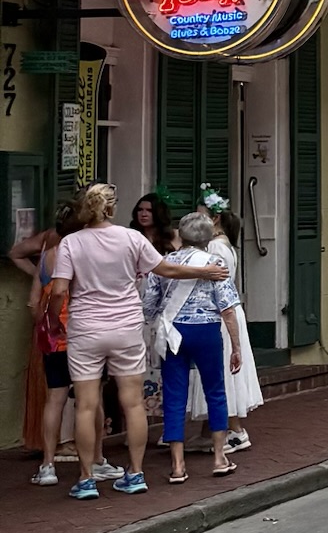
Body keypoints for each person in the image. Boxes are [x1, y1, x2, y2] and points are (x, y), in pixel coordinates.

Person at [48, 183, 223, 499]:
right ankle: (136, 473)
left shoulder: (71, 243)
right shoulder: (131, 238)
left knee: (86, 405)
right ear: (111, 209)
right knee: (132, 402)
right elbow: (166, 268)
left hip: (86, 328)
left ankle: (86, 478)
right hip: (127, 326)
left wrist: (52, 322)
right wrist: (205, 272)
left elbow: (59, 290)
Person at [144, 206, 246, 484]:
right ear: (208, 235)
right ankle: (219, 457)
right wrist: (236, 346)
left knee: (175, 396)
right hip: (206, 331)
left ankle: (177, 465)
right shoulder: (214, 264)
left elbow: (149, 306)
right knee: (215, 391)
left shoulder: (164, 263)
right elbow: (227, 309)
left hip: (173, 332)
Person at [12, 200, 78, 483]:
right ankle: (95, 461)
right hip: (83, 333)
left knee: (54, 398)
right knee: (90, 399)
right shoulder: (84, 252)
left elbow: (32, 301)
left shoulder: (48, 254)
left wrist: (44, 323)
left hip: (54, 335)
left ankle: (48, 464)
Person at [204, 201, 264, 452]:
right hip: (229, 308)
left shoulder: (216, 247)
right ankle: (219, 429)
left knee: (224, 372)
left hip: (222, 311)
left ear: (215, 218)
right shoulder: (226, 244)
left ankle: (235, 430)